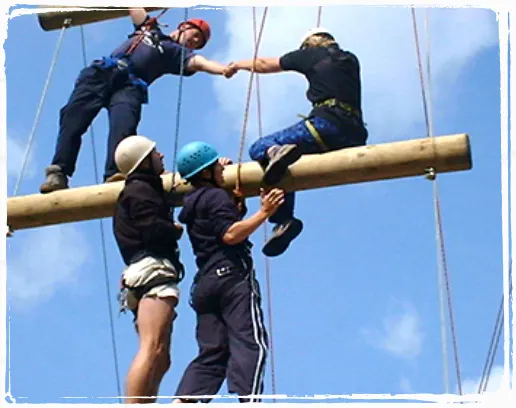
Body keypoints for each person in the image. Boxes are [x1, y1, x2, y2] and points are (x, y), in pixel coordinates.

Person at [40, 7, 228, 194]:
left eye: (199, 42)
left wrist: (223, 69)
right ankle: (59, 172)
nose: (195, 42)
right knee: (73, 119)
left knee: (124, 127)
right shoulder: (149, 28)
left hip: (131, 86)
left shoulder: (177, 54)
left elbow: (200, 63)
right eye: (195, 35)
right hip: (103, 73)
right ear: (184, 26)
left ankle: (114, 174)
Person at [224, 27, 368, 257]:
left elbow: (263, 63)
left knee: (261, 147)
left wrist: (237, 65)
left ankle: (283, 213)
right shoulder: (350, 59)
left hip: (326, 125)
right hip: (354, 134)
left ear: (310, 43)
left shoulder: (311, 54)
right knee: (280, 164)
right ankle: (282, 221)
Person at [171, 141, 285, 403]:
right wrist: (264, 212)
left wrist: (233, 201)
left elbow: (220, 222)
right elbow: (230, 234)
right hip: (231, 277)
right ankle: (249, 400)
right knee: (250, 343)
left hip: (205, 284)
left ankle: (182, 402)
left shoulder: (193, 202)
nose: (221, 170)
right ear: (205, 173)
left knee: (213, 352)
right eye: (215, 167)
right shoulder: (215, 197)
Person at [112, 134, 185, 403]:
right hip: (152, 269)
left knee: (161, 356)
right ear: (143, 162)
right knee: (152, 347)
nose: (161, 156)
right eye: (155, 153)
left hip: (145, 270)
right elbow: (151, 227)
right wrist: (173, 229)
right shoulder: (140, 191)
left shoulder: (142, 189)